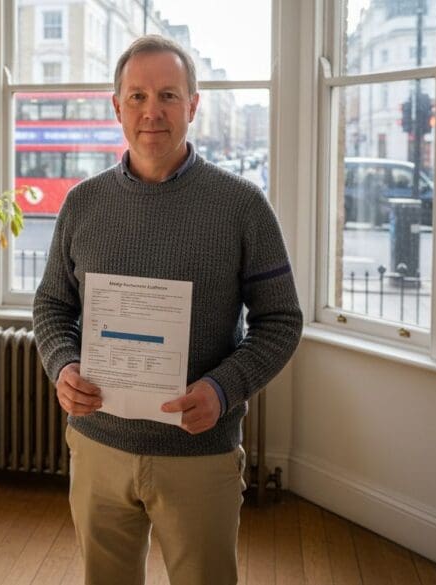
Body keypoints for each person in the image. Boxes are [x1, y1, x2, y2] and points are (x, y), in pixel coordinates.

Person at [33, 35, 302, 585]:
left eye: (168, 95)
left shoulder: (242, 205)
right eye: (136, 96)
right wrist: (62, 366)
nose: (151, 111)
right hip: (97, 444)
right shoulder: (82, 203)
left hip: (199, 451)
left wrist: (224, 388)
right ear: (116, 107)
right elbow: (52, 305)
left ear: (193, 105)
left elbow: (281, 321)